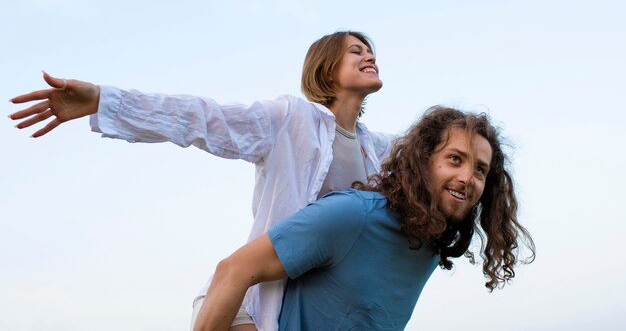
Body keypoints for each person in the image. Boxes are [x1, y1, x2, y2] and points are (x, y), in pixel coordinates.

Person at [9, 31, 396, 331]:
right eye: (355, 50)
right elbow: (203, 117)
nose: (369, 55)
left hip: (302, 311)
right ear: (327, 69)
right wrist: (103, 100)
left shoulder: (375, 151)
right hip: (245, 302)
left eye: (370, 50)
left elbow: (442, 143)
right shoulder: (290, 120)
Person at [193, 106, 536, 331]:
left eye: (480, 170)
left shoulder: (433, 245)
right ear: (423, 162)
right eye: (455, 159)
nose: (468, 178)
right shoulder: (353, 214)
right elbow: (232, 271)